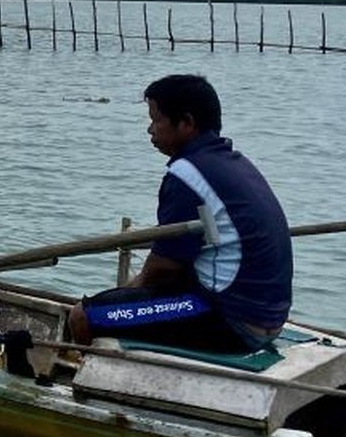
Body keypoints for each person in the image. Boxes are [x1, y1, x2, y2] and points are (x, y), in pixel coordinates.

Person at [68, 74, 292, 353]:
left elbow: (161, 270)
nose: (150, 130)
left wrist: (120, 298)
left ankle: (85, 385)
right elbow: (209, 236)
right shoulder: (233, 164)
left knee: (84, 315)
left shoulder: (187, 175)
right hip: (269, 318)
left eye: (156, 120)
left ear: (186, 123)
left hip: (231, 321)